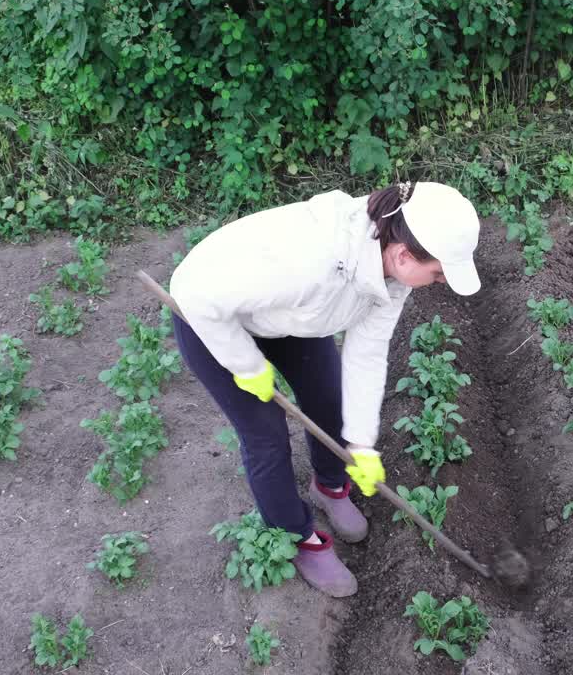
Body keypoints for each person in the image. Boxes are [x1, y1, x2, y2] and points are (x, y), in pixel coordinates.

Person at [169, 181, 481, 597]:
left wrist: (362, 445)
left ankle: (329, 484)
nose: (440, 281)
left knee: (329, 401)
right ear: (405, 254)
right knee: (265, 436)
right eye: (439, 272)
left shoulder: (396, 276)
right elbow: (195, 295)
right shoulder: (312, 260)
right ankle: (297, 536)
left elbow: (367, 355)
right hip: (211, 316)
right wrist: (245, 364)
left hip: (293, 314)